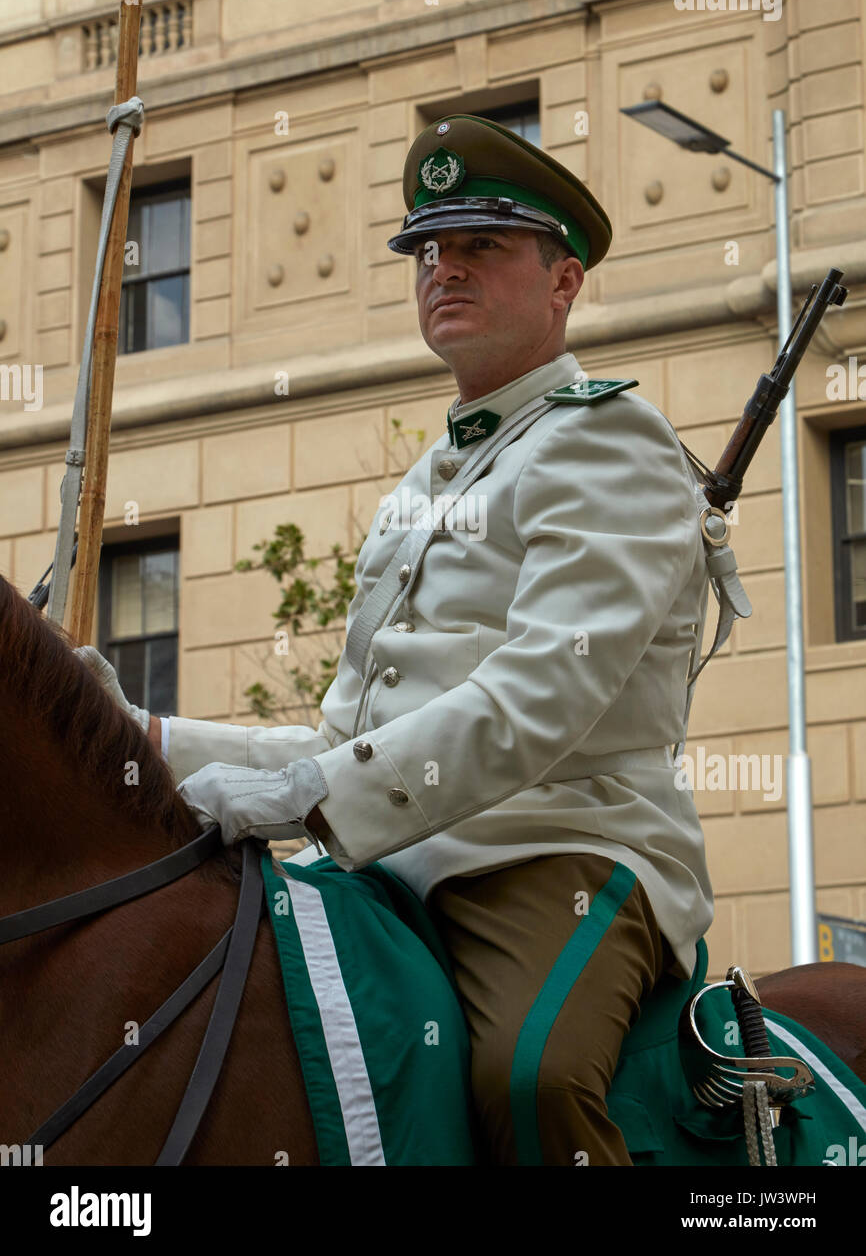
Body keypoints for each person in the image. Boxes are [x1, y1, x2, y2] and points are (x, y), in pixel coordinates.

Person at [78, 114, 714, 1166]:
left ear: (563, 283)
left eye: (480, 248)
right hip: (387, 861)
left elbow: (536, 700)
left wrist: (319, 799)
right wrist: (132, 731)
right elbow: (345, 737)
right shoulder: (422, 486)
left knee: (531, 1075)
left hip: (555, 852)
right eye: (429, 251)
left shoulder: (610, 438)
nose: (443, 269)